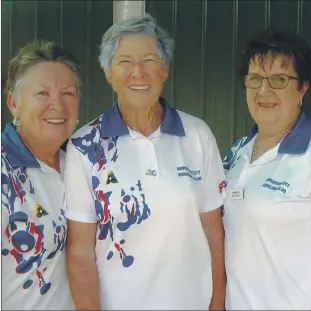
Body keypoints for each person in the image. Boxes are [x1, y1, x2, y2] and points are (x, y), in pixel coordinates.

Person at [64, 14, 226, 310]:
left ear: (165, 70)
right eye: (124, 62)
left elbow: (215, 235)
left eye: (150, 60)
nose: (138, 72)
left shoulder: (197, 135)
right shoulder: (85, 146)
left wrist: (217, 304)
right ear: (108, 73)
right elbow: (79, 254)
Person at [222, 27, 311, 310]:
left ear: (303, 87)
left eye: (279, 79)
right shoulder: (236, 154)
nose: (264, 91)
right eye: (255, 79)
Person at [1, 40, 80, 310]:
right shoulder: (4, 173)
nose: (57, 105)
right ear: (13, 103)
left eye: (68, 93)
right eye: (43, 93)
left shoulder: (84, 164)